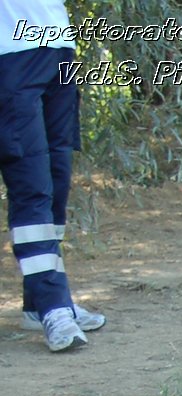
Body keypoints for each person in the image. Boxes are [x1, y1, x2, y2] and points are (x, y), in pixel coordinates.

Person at [2, 0, 106, 353]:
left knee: (57, 181)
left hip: (58, 50)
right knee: (32, 186)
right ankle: (53, 306)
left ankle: (39, 302)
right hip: (10, 57)